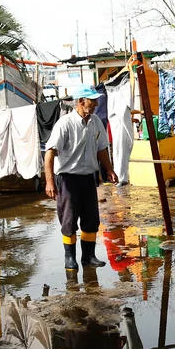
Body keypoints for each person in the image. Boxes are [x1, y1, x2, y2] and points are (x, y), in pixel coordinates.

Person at [44, 87, 118, 270]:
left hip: (88, 178)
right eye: (92, 101)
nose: (96, 104)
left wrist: (109, 169)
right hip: (68, 179)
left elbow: (102, 149)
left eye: (96, 100)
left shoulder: (96, 122)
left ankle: (89, 256)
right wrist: (49, 182)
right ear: (81, 101)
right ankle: (70, 257)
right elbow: (50, 153)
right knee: (69, 219)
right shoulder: (65, 123)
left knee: (91, 218)